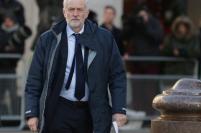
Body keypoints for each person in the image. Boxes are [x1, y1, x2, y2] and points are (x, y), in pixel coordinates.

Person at [25, 0, 127, 133]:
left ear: (86, 13)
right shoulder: (48, 40)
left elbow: (117, 76)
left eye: (79, 10)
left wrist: (119, 109)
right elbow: (34, 79)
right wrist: (32, 112)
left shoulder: (104, 39)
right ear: (64, 12)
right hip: (58, 110)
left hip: (93, 112)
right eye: (71, 9)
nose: (75, 14)